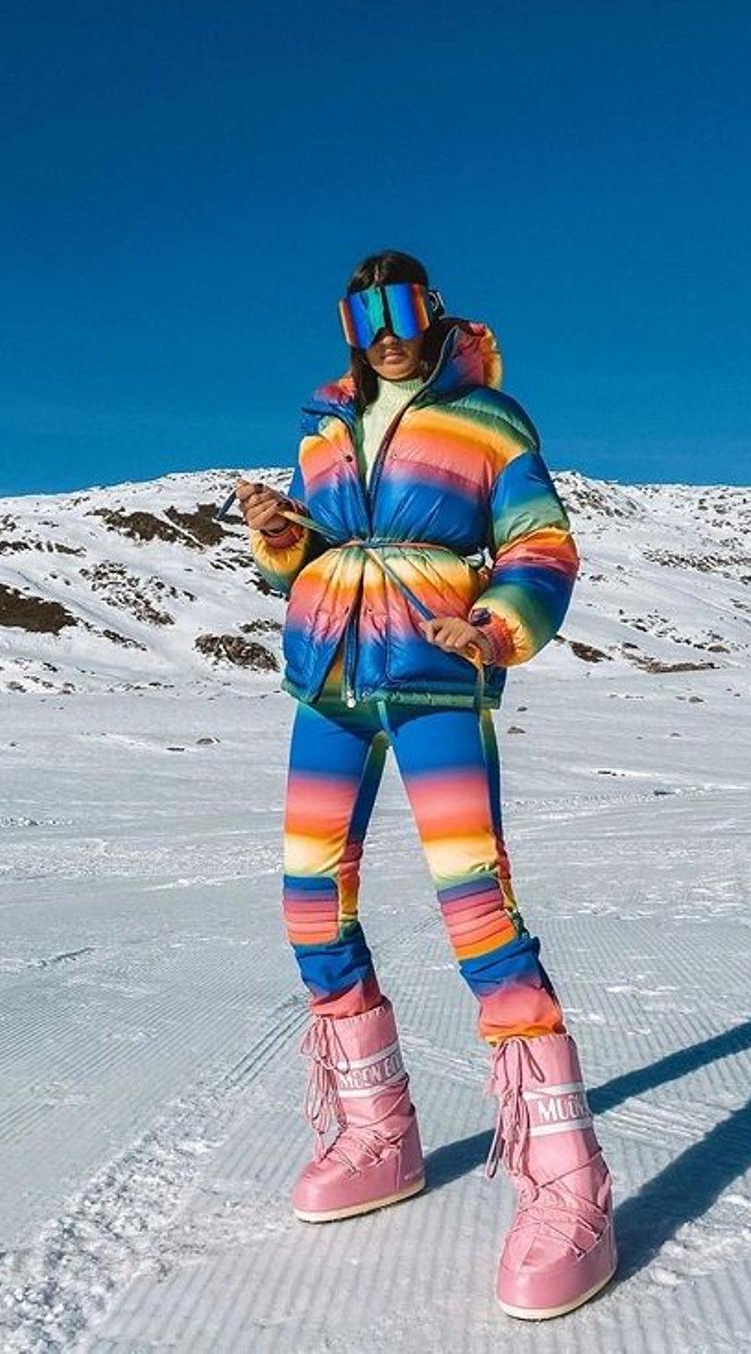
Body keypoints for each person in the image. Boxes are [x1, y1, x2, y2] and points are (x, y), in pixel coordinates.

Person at [235, 249, 618, 1320]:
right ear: (349, 325)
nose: (386, 330)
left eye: (403, 309)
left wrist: (494, 625)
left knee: (477, 912)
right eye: (366, 314)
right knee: (310, 905)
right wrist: (280, 541)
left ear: (434, 311)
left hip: (440, 679)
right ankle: (377, 1131)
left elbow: (540, 544)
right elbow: (308, 554)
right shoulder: (322, 425)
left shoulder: (486, 417)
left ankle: (568, 1183)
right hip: (329, 679)